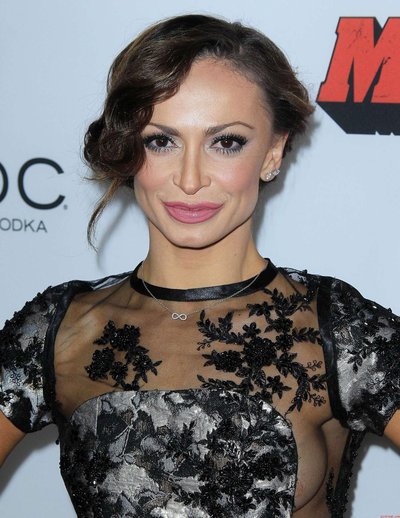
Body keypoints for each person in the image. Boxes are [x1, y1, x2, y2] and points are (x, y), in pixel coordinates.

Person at [0, 13, 399, 518]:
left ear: (272, 152)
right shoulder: (60, 327)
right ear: (129, 148)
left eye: (226, 142)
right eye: (161, 141)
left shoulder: (334, 328)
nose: (190, 179)